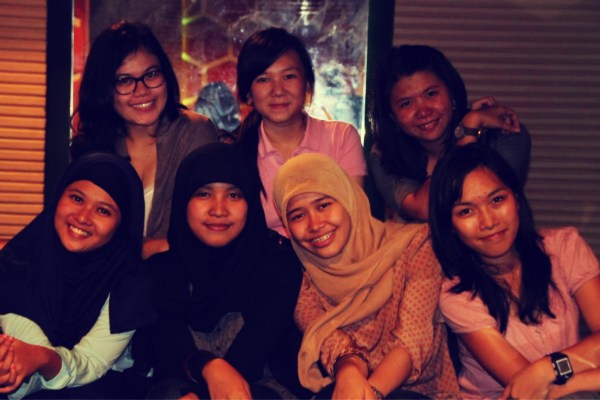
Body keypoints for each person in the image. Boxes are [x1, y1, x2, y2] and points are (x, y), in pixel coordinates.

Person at [273, 153, 459, 399]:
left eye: (323, 205)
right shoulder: (299, 279)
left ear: (348, 199)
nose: (315, 224)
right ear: (287, 226)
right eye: (297, 216)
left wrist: (369, 393)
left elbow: (412, 340)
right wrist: (349, 371)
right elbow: (330, 342)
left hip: (423, 393)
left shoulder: (415, 245)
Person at [429, 144, 600, 399]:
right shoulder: (457, 295)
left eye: (497, 200)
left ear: (517, 199)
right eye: (466, 211)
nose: (489, 222)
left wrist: (548, 368)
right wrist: (565, 376)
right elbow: (527, 387)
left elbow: (542, 380)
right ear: (450, 226)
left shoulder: (565, 247)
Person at [144, 143, 303, 399]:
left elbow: (254, 353)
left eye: (234, 195)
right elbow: (166, 347)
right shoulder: (161, 271)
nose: (218, 210)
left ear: (251, 201)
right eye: (204, 194)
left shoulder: (278, 264)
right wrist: (208, 367)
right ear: (183, 200)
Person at [0, 153, 154, 399]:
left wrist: (43, 358)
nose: (83, 217)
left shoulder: (131, 285)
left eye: (103, 210)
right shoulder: (15, 263)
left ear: (121, 225)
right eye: (77, 198)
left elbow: (93, 363)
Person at [70, 20, 218, 259]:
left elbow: (205, 232)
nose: (142, 91)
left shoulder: (195, 132)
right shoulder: (92, 146)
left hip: (179, 277)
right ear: (104, 90)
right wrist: (147, 247)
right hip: (104, 278)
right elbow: (82, 233)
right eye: (125, 80)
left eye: (151, 74)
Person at [369, 44, 530, 222]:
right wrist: (467, 132)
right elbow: (426, 209)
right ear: (392, 115)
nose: (423, 111)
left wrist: (470, 128)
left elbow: (482, 204)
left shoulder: (504, 136)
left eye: (431, 94)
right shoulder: (384, 155)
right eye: (406, 103)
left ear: (451, 92)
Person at [236, 27, 367, 238]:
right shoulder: (236, 152)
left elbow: (353, 219)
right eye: (263, 79)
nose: (278, 90)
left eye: (289, 76)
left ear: (307, 84)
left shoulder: (341, 138)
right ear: (248, 94)